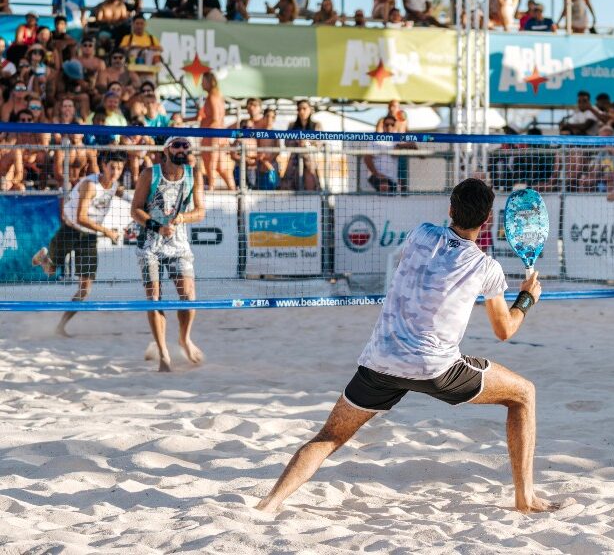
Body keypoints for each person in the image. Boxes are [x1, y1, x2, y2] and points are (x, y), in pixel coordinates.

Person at [256, 178, 558, 514]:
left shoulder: (421, 233)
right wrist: (528, 299)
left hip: (380, 361)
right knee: (524, 394)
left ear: (449, 209)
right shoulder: (486, 267)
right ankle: (525, 498)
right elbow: (504, 330)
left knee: (328, 437)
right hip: (435, 368)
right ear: (487, 220)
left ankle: (269, 504)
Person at [130, 137, 206, 373]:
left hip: (178, 242)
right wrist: (156, 226)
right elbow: (135, 210)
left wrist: (183, 217)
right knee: (154, 298)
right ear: (166, 150)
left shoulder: (193, 174)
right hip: (150, 243)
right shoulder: (149, 174)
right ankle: (163, 352)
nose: (183, 149)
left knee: (188, 295)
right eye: (177, 146)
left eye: (186, 146)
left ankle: (184, 338)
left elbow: (200, 211)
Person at [32, 151, 127, 337]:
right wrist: (107, 231)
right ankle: (42, 258)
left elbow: (120, 201)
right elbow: (81, 217)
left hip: (89, 237)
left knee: (85, 289)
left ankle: (61, 326)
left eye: (119, 168)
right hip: (71, 230)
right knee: (51, 271)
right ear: (103, 166)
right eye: (112, 167)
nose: (115, 171)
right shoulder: (90, 185)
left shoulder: (115, 186)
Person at [196, 71, 234, 190]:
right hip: (220, 134)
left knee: (210, 164)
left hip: (213, 135)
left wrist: (203, 131)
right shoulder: (217, 96)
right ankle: (234, 190)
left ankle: (211, 189)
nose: (201, 84)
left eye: (203, 81)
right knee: (221, 167)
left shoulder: (212, 97)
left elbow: (216, 119)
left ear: (209, 82)